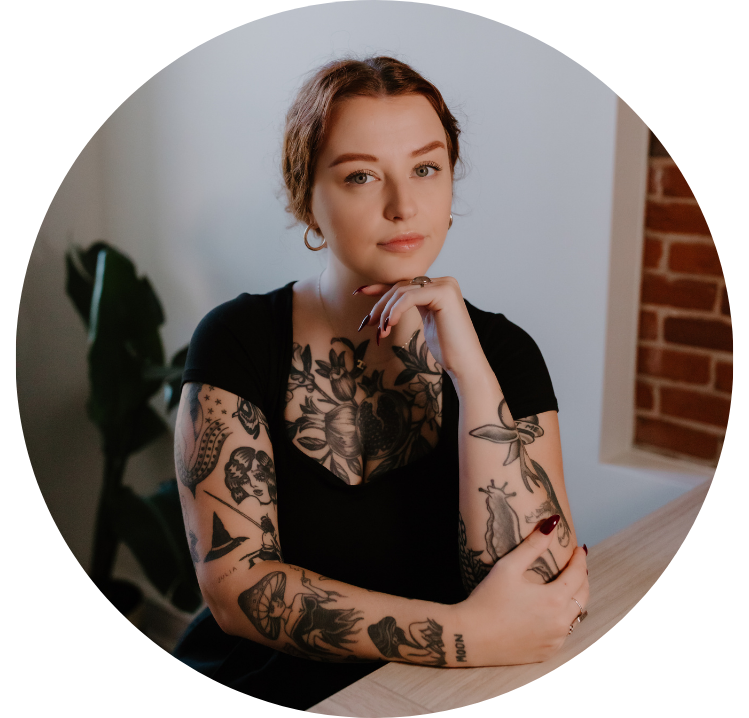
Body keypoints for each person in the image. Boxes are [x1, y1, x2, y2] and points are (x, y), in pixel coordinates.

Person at [172, 55, 589, 709]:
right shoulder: (236, 339)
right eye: (360, 176)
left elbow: (541, 589)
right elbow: (237, 590)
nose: (403, 206)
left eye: (426, 169)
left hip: (430, 696)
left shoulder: (503, 353)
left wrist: (472, 377)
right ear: (306, 198)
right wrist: (468, 633)